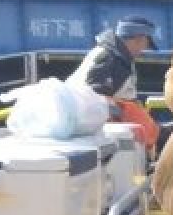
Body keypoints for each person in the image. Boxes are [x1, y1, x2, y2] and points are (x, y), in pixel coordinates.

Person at [66, 15, 162, 151]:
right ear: (139, 39)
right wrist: (129, 112)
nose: (143, 50)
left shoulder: (117, 56)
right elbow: (93, 97)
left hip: (88, 120)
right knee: (131, 111)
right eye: (145, 45)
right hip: (85, 122)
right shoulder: (109, 58)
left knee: (133, 111)